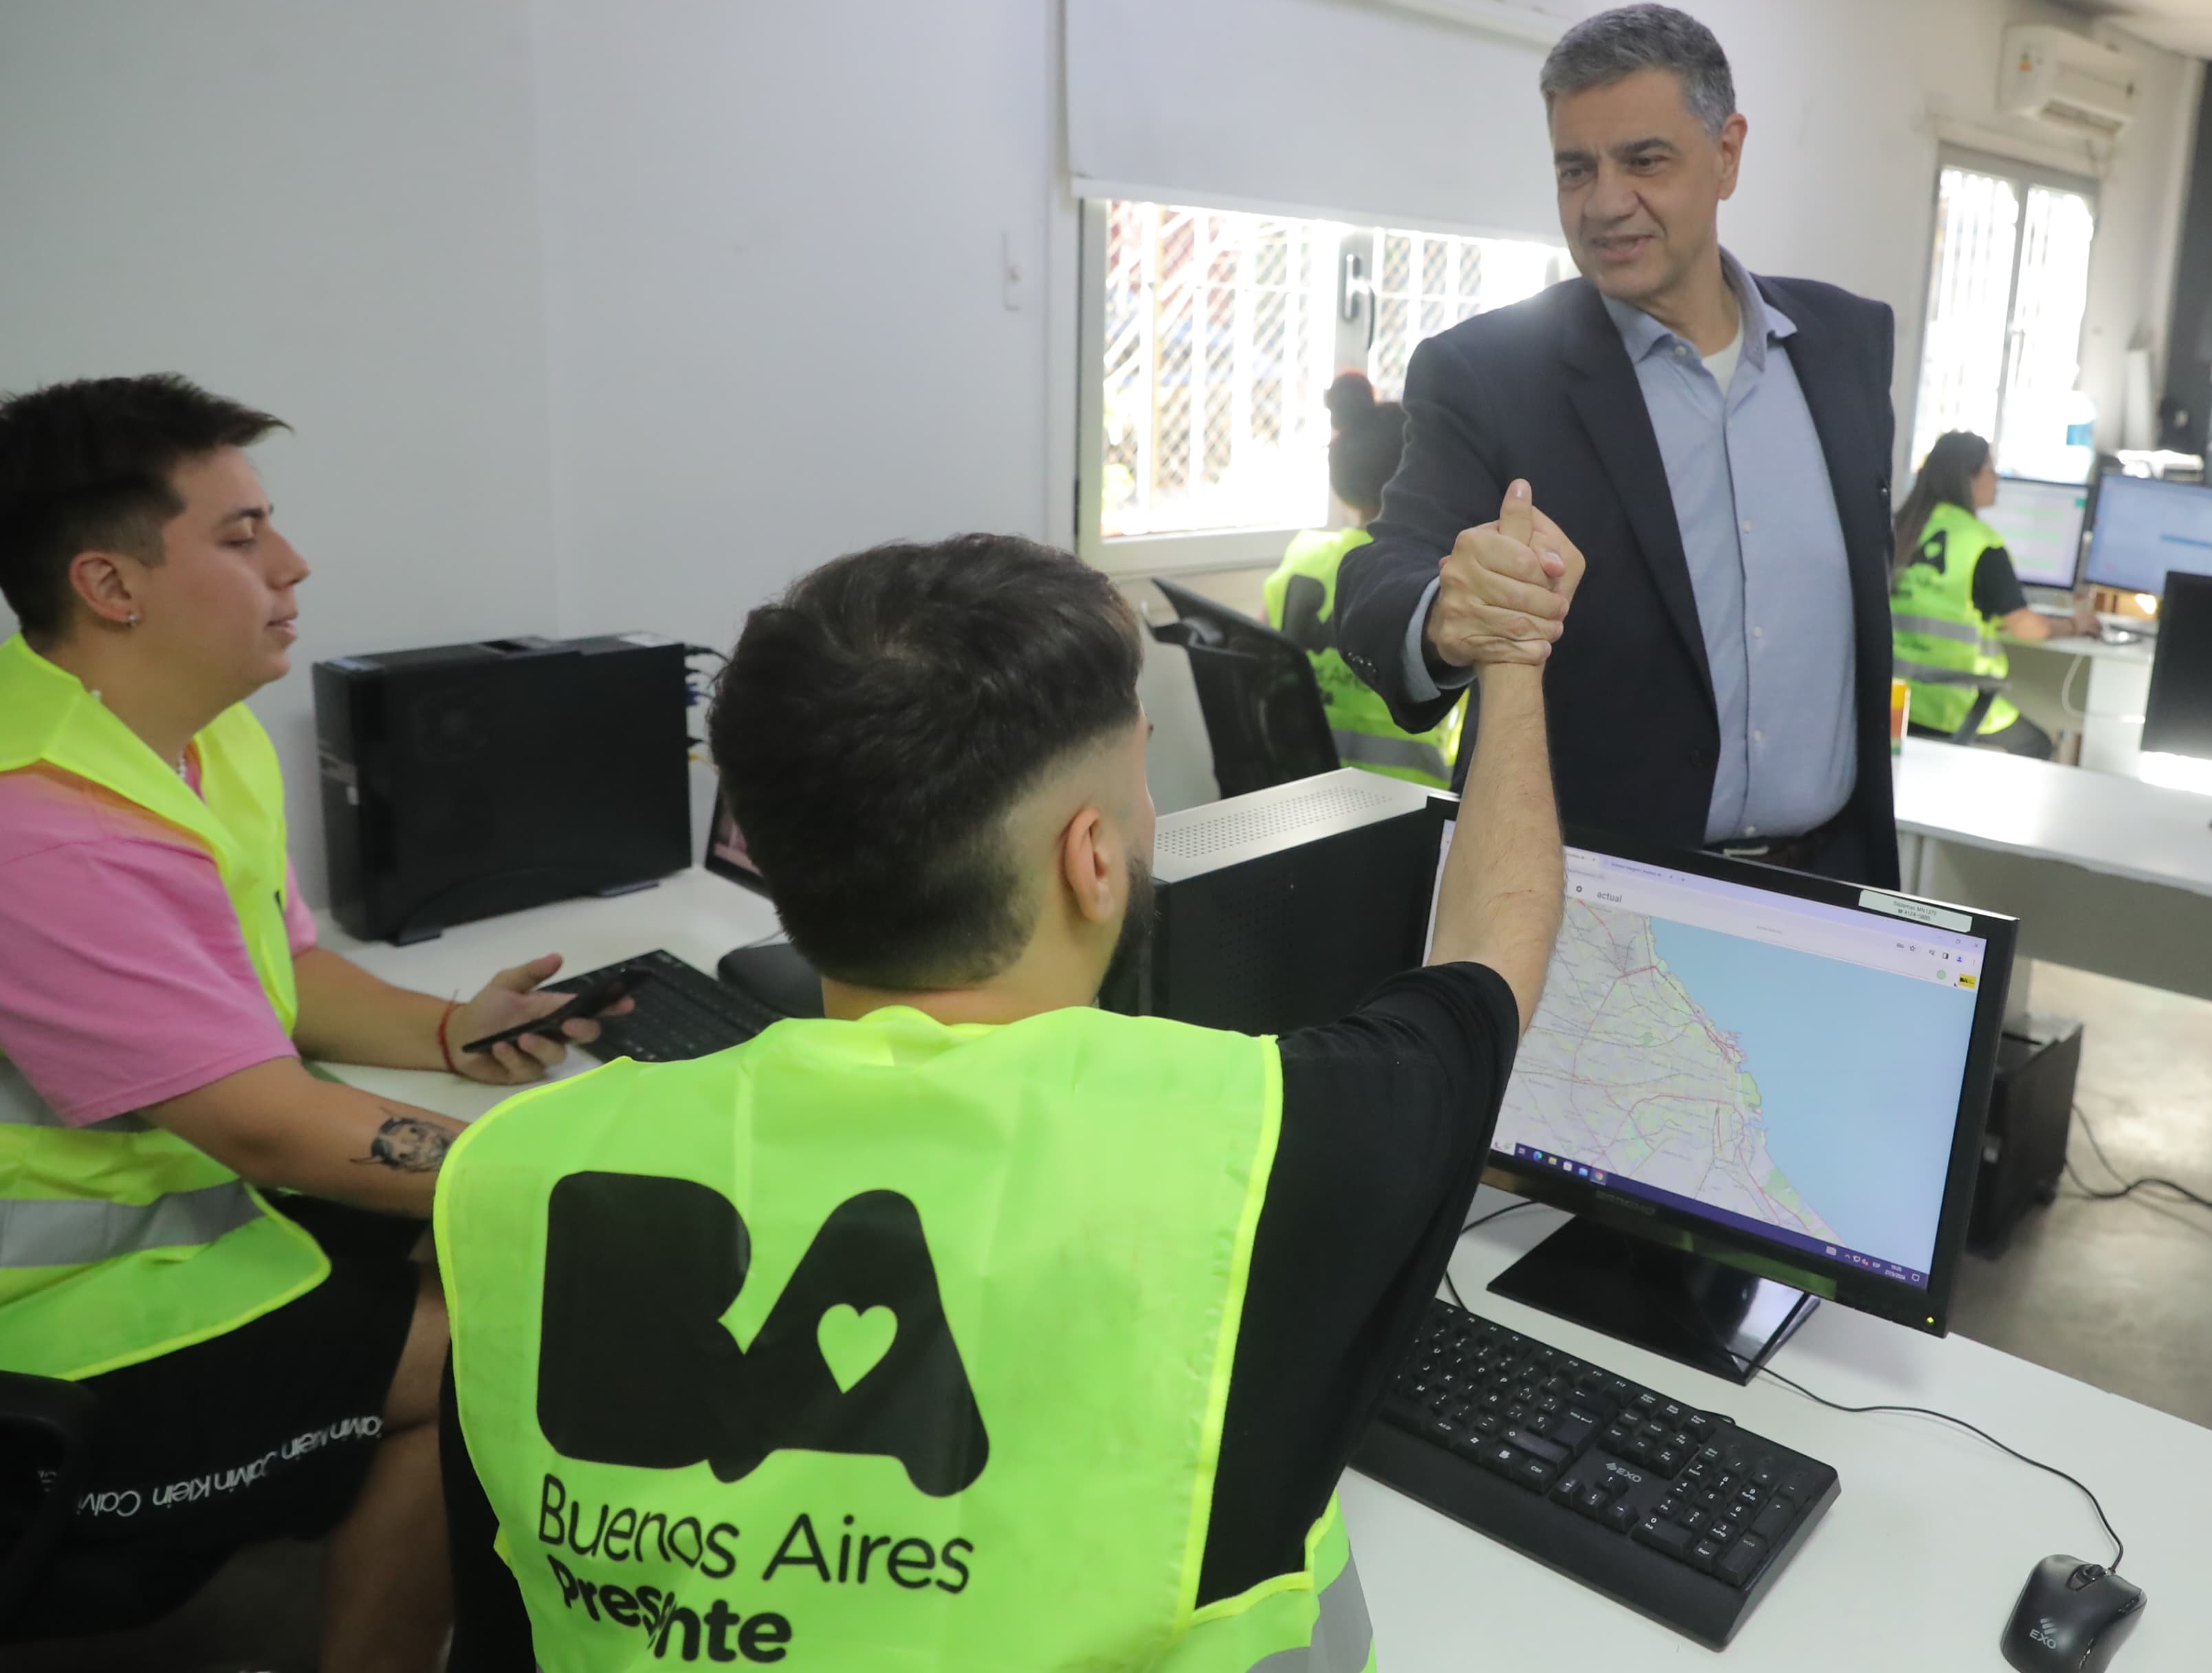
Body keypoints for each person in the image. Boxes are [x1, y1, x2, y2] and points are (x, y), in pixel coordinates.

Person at [435, 499, 1565, 1670]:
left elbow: (504, 1623)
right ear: (1092, 859)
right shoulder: (1266, 1144)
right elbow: (1491, 952)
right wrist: (1513, 652)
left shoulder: (518, 1176)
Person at [0, 375, 616, 1667]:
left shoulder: (189, 739)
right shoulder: (43, 826)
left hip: (190, 1226)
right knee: (503, 1341)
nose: (293, 563)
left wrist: (449, 1032)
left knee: (481, 1258)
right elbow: (269, 1126)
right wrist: (567, 1171)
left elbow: (276, 974)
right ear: (110, 586)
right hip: (55, 1323)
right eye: (243, 537)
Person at [1333, 3, 1903, 886]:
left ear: (1726, 154)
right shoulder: (1490, 373)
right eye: (1575, 169)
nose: (1603, 203)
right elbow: (1377, 580)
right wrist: (1446, 612)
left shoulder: (1845, 344)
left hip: (1829, 885)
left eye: (1644, 161)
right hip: (1590, 901)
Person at [1261, 372, 1458, 787]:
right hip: (1406, 798)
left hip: (1294, 792)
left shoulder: (1303, 555)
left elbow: (1254, 653)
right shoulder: (1433, 582)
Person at [1889, 431, 2099, 760]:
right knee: (2037, 745)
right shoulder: (1980, 543)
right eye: (1990, 469)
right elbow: (2029, 629)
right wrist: (2074, 625)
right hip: (1951, 700)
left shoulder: (1900, 528)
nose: (1996, 478)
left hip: (1894, 699)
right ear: (1969, 477)